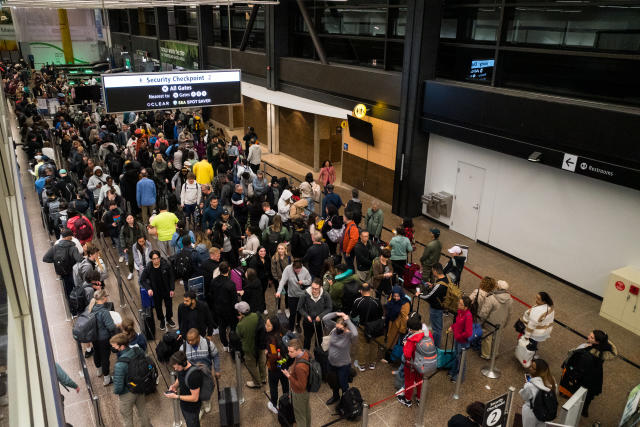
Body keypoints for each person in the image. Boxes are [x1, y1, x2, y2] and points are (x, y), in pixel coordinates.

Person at [560, 330, 617, 417]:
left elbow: (579, 369)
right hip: (595, 376)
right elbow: (611, 349)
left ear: (597, 342)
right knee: (589, 395)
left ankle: (577, 409)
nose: (588, 337)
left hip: (585, 377)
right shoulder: (602, 350)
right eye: (590, 335)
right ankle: (585, 410)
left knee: (579, 392)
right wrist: (603, 339)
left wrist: (572, 375)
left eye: (591, 337)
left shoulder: (587, 354)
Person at [110, 333, 152, 427]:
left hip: (127, 393)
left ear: (121, 346)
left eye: (114, 345)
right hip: (140, 386)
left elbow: (118, 388)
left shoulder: (120, 364)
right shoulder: (137, 350)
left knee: (127, 417)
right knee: (143, 411)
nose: (112, 348)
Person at [182, 328, 221, 415]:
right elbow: (181, 361)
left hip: (206, 374)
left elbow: (216, 356)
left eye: (192, 340)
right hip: (192, 375)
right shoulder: (183, 347)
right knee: (194, 391)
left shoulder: (208, 344)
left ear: (198, 338)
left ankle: (206, 401)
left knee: (206, 388)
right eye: (188, 340)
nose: (190, 342)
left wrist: (217, 370)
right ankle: (199, 407)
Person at [323, 312, 358, 405]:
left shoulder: (348, 335)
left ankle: (345, 400)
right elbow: (325, 319)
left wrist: (348, 320)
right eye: (337, 327)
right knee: (333, 382)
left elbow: (355, 334)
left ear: (346, 328)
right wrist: (336, 314)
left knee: (343, 384)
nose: (337, 329)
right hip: (331, 362)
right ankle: (335, 396)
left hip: (343, 365)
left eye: (340, 328)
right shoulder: (334, 329)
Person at [139, 250, 176, 331]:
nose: (156, 260)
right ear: (151, 259)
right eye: (154, 259)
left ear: (160, 257)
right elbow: (142, 280)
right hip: (156, 292)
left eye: (157, 258)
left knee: (169, 305)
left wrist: (172, 289)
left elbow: (171, 278)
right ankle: (162, 320)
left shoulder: (166, 265)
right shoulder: (148, 267)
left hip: (167, 290)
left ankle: (169, 318)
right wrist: (148, 288)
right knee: (158, 307)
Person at [396, 315, 428, 407]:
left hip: (412, 365)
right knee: (419, 380)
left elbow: (407, 355)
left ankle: (407, 400)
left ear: (411, 329)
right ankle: (419, 398)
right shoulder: (427, 334)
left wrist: (406, 345)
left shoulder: (411, 339)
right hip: (423, 363)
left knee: (409, 381)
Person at [351, 283, 383, 371]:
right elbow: (381, 314)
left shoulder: (357, 301)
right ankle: (372, 364)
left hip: (363, 326)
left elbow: (353, 315)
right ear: (370, 290)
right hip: (374, 327)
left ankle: (361, 365)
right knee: (374, 344)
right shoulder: (377, 301)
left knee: (361, 345)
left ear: (361, 291)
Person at [43, 228, 83, 298]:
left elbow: (45, 258)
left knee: (68, 289)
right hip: (72, 272)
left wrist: (55, 260)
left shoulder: (55, 247)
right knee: (77, 288)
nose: (72, 237)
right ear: (67, 237)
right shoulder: (73, 248)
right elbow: (79, 259)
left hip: (62, 272)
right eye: (71, 236)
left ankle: (70, 302)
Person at [477, 280, 513, 359]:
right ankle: (494, 353)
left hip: (490, 322)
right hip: (501, 323)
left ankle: (486, 355)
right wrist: (506, 323)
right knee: (497, 338)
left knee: (487, 338)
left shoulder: (491, 298)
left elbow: (484, 312)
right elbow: (510, 314)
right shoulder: (510, 300)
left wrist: (480, 322)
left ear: (498, 287)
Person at [235, 301, 267, 388]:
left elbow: (239, 335)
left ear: (240, 312)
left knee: (251, 365)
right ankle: (263, 378)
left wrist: (241, 321)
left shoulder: (240, 325)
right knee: (262, 360)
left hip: (249, 348)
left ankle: (257, 382)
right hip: (260, 344)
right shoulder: (256, 315)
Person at [166, 351, 203, 427]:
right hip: (184, 404)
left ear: (182, 363)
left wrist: (177, 397)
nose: (175, 369)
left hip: (192, 409)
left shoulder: (193, 376)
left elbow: (195, 398)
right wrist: (174, 386)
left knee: (192, 424)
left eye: (176, 366)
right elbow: (180, 378)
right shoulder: (182, 368)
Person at [88, 289, 117, 386]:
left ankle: (99, 371)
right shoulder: (104, 311)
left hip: (94, 336)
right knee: (105, 357)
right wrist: (116, 324)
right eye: (106, 296)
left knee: (96, 353)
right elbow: (111, 327)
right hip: (104, 338)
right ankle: (107, 378)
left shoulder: (91, 307)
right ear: (103, 298)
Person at [208, 262, 237, 351]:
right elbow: (234, 300)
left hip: (218, 309)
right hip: (229, 310)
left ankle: (225, 345)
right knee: (233, 327)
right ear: (229, 269)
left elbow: (211, 295)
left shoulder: (213, 281)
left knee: (222, 327)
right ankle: (232, 344)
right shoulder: (231, 284)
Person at [519, 359, 557, 427]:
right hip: (545, 413)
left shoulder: (530, 385)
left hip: (531, 413)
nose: (530, 368)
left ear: (538, 371)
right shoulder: (552, 381)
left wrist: (524, 387)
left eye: (532, 367)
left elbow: (525, 397)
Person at [276, 260, 312, 332]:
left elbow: (309, 281)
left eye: (299, 270)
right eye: (296, 270)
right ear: (293, 267)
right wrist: (279, 291)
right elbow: (282, 281)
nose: (298, 272)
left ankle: (297, 324)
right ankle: (291, 328)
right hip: (291, 295)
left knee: (299, 312)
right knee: (292, 313)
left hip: (301, 295)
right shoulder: (288, 269)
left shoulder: (305, 270)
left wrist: (303, 282)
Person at [282, 338, 311, 427]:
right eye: (288, 351)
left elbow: (301, 386)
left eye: (291, 351)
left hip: (299, 393)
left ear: (298, 350)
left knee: (300, 416)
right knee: (306, 411)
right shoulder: (304, 353)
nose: (289, 354)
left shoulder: (300, 367)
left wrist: (289, 376)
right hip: (306, 392)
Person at [298, 279, 333, 350]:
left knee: (319, 341)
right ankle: (306, 355)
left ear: (320, 287)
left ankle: (318, 356)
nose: (313, 290)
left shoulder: (325, 295)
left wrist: (320, 316)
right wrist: (306, 316)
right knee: (307, 340)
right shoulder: (304, 294)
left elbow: (329, 308)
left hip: (320, 323)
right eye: (312, 288)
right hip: (308, 322)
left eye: (316, 289)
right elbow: (299, 308)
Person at [265, 315, 289, 414]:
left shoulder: (272, 340)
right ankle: (287, 400)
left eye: (268, 325)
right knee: (285, 384)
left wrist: (267, 354)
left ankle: (274, 405)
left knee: (273, 386)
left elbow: (274, 356)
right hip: (284, 363)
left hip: (275, 367)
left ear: (273, 327)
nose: (265, 326)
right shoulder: (282, 332)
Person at [448, 296, 473, 382]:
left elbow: (468, 332)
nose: (458, 304)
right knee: (457, 356)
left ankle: (460, 377)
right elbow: (458, 323)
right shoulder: (460, 312)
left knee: (461, 360)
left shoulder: (468, 316)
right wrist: (452, 327)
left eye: (461, 304)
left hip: (462, 342)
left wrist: (459, 336)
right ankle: (453, 371)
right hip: (458, 339)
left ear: (465, 307)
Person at [383, 286, 411, 362]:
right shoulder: (392, 299)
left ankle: (390, 358)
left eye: (398, 296)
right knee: (390, 338)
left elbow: (405, 317)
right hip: (391, 321)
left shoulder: (405, 303)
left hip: (397, 325)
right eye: (394, 296)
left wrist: (402, 330)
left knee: (393, 341)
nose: (396, 298)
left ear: (401, 295)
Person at [119, 214, 147, 280]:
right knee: (131, 261)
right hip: (130, 247)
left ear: (133, 218)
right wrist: (124, 247)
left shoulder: (139, 225)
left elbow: (144, 233)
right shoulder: (124, 228)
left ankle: (144, 272)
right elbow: (122, 237)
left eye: (131, 218)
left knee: (142, 259)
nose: (130, 220)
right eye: (128, 219)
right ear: (126, 220)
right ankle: (131, 272)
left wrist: (144, 243)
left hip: (139, 245)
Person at [271, 243, 291, 313]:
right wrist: (278, 280)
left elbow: (291, 269)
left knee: (287, 294)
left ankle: (287, 308)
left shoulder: (289, 257)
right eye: (279, 248)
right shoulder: (274, 258)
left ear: (285, 249)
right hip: (278, 280)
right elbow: (273, 270)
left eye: (282, 249)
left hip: (288, 280)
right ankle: (278, 309)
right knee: (278, 295)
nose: (280, 250)